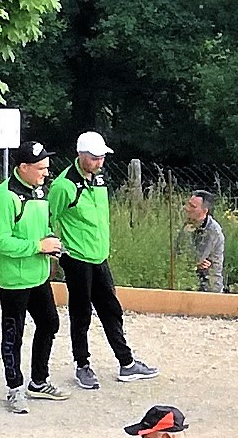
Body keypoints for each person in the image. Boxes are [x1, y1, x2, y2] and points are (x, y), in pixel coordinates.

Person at [49, 131, 158, 390]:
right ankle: (82, 364)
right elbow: (48, 217)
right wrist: (56, 249)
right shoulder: (64, 186)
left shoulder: (98, 180)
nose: (100, 163)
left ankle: (127, 362)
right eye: (95, 158)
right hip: (76, 259)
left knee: (111, 309)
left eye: (102, 158)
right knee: (81, 313)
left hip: (99, 256)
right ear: (81, 156)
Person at [0, 141, 68, 414]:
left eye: (47, 167)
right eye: (41, 168)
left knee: (50, 323)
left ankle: (38, 381)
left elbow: (41, 226)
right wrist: (36, 247)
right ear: (23, 167)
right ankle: (14, 388)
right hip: (13, 279)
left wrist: (50, 243)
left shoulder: (38, 192)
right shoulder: (5, 196)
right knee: (13, 334)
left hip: (38, 274)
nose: (46, 173)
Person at [175, 191, 225, 292]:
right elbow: (177, 252)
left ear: (204, 210)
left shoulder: (212, 231)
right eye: (188, 204)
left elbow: (196, 259)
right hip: (187, 280)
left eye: (192, 206)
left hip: (209, 285)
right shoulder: (188, 224)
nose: (187, 209)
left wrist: (194, 262)